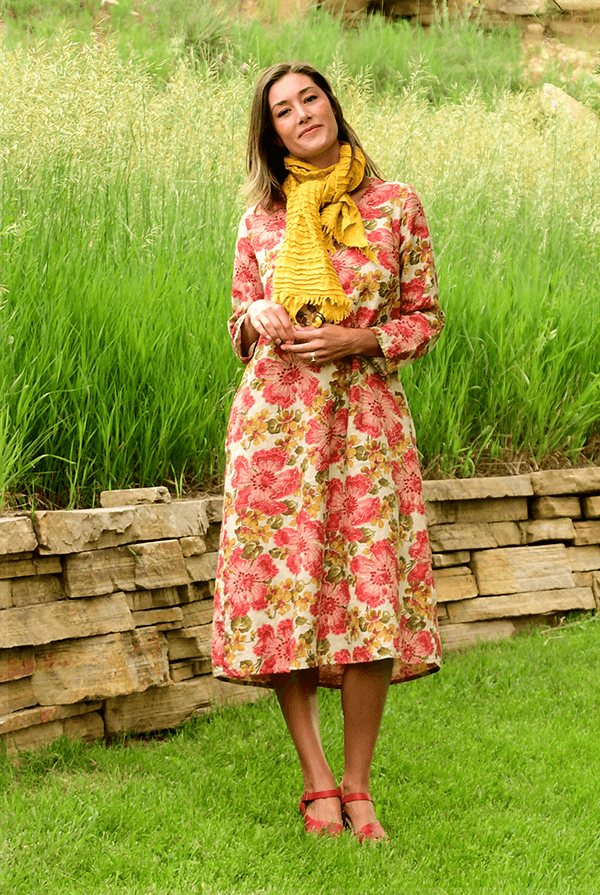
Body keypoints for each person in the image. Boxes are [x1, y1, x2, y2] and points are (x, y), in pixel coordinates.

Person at [212, 61, 445, 842]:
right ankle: (316, 782)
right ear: (271, 131)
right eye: (282, 108)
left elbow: (424, 317)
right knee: (286, 596)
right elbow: (238, 329)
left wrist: (362, 336)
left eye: (310, 97)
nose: (301, 113)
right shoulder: (259, 221)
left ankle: (358, 783)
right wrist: (259, 312)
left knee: (369, 595)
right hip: (276, 430)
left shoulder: (394, 207)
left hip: (366, 425)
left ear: (333, 107)